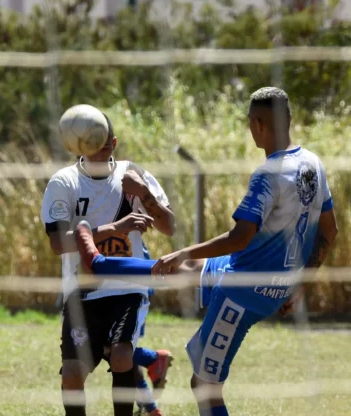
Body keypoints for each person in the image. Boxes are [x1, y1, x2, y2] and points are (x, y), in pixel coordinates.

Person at [73, 87, 338, 416]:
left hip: (243, 292)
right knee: (186, 268)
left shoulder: (269, 176)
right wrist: (299, 283)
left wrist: (181, 251)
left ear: (256, 124)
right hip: (269, 279)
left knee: (204, 387)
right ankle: (100, 265)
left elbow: (240, 237)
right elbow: (330, 231)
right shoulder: (313, 165)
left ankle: (102, 267)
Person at [41, 111, 175, 416]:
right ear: (78, 145)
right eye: (90, 143)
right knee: (73, 374)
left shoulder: (133, 175)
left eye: (103, 142)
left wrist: (144, 193)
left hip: (127, 288)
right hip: (83, 292)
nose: (98, 148)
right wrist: (116, 229)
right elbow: (57, 243)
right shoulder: (64, 182)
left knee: (122, 355)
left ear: (113, 142)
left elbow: (169, 226)